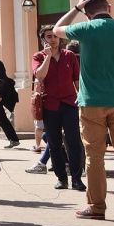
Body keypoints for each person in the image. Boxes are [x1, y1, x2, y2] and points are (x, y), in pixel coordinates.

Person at [54, 0, 114, 223]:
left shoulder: (86, 28)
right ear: (110, 8)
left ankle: (96, 206)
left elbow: (57, 29)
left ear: (87, 11)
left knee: (95, 156)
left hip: (92, 102)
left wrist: (76, 8)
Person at [33, 26, 84, 191]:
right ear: (43, 39)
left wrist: (82, 99)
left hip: (69, 103)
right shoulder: (38, 56)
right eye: (49, 36)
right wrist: (47, 57)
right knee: (54, 143)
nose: (53, 39)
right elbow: (40, 75)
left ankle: (76, 178)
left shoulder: (69, 56)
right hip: (50, 105)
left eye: (55, 36)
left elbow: (77, 80)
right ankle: (61, 178)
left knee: (73, 141)